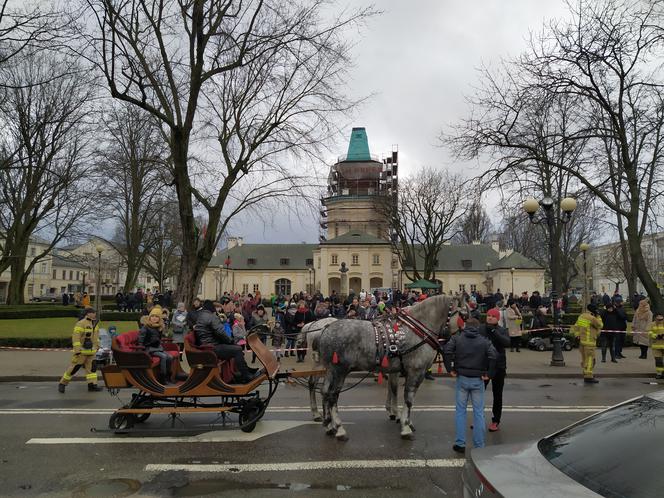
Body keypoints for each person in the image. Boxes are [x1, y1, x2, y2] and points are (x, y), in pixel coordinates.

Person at [443, 317, 497, 453]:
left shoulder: (457, 339)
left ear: (465, 326)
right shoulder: (484, 341)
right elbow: (494, 356)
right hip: (478, 379)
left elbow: (447, 351)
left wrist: (450, 369)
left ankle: (460, 443)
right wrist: (489, 374)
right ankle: (479, 445)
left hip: (462, 377)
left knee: (460, 411)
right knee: (478, 413)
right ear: (478, 328)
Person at [194, 300, 257, 383]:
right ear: (212, 308)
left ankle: (242, 371)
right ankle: (245, 374)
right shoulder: (211, 317)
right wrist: (230, 341)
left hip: (207, 345)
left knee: (235, 348)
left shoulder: (201, 316)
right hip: (212, 347)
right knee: (237, 349)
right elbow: (221, 332)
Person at [479, 308, 510, 432]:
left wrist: (494, 332)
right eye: (488, 315)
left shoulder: (502, 330)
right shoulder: (481, 329)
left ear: (497, 318)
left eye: (493, 316)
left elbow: (507, 343)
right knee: (479, 394)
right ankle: (478, 419)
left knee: (497, 395)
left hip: (498, 367)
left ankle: (495, 421)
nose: (490, 317)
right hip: (484, 366)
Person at [58, 307, 102, 393]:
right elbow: (76, 337)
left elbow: (96, 337)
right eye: (93, 312)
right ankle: (62, 383)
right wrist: (77, 350)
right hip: (81, 352)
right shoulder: (81, 323)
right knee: (73, 368)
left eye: (94, 312)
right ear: (88, 314)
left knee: (92, 370)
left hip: (92, 352)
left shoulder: (95, 324)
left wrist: (97, 346)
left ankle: (92, 385)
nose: (94, 314)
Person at [138, 306, 174, 384]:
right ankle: (162, 378)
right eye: (152, 316)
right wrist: (141, 351)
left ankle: (169, 376)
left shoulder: (159, 327)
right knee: (163, 357)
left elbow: (160, 338)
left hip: (157, 347)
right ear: (149, 317)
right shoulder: (145, 327)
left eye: (156, 317)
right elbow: (140, 340)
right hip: (148, 348)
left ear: (159, 319)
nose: (154, 318)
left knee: (170, 357)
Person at [571, 304, 604, 384]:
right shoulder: (592, 318)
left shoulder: (582, 316)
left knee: (585, 359)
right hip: (590, 342)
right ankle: (588, 376)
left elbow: (576, 327)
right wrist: (598, 316)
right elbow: (600, 325)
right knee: (590, 360)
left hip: (582, 342)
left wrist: (577, 335)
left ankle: (586, 373)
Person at [648, 312, 664, 379]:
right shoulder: (652, 324)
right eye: (658, 319)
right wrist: (655, 336)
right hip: (656, 345)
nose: (660, 320)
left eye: (661, 319)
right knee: (658, 360)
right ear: (655, 318)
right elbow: (649, 332)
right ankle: (659, 373)